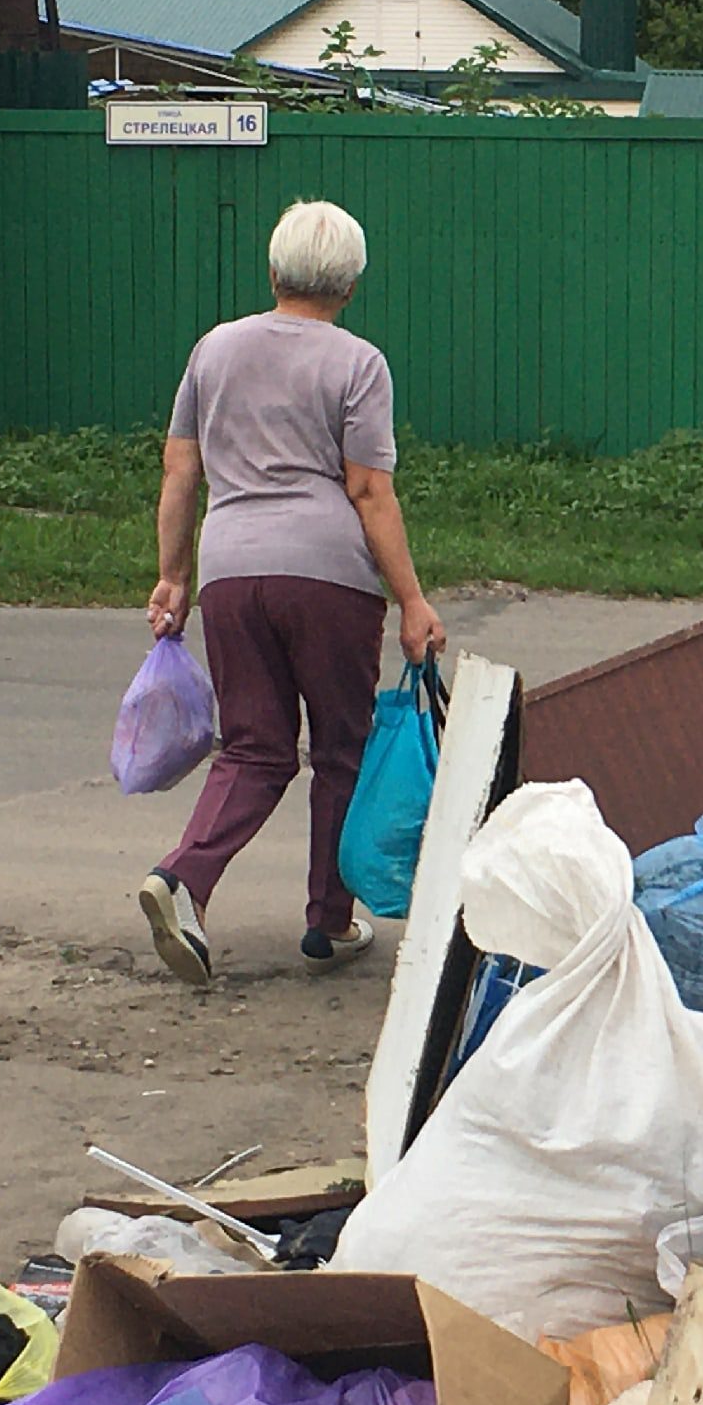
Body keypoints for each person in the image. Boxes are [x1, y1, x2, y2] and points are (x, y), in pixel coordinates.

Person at [138, 199, 447, 987]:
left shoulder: (216, 350)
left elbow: (180, 471)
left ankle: (181, 881)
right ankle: (330, 921)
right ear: (350, 286)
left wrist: (175, 577)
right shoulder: (357, 362)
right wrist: (412, 601)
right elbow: (370, 491)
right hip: (327, 576)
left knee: (253, 747)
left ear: (273, 272)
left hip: (233, 571)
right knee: (341, 749)